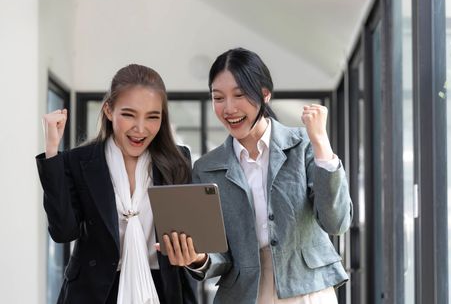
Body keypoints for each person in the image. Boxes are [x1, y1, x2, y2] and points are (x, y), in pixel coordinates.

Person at [161, 48, 352, 303]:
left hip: (307, 289)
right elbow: (220, 254)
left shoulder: (304, 145)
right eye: (218, 98)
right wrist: (198, 258)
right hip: (245, 294)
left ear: (264, 94)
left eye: (239, 95)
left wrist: (321, 143)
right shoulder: (207, 167)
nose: (228, 108)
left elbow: (336, 222)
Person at [36, 64, 198, 304]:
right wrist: (52, 151)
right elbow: (63, 232)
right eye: (129, 114)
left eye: (153, 116)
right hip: (96, 292)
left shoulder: (178, 160)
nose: (140, 129)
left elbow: (189, 240)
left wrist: (194, 257)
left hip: (161, 290)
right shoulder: (80, 161)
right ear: (109, 110)